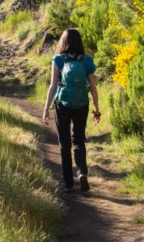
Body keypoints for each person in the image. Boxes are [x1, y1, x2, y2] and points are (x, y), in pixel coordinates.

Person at [41, 28, 101, 193]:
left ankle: (68, 183)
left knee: (64, 144)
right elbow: (93, 88)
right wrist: (96, 108)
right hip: (82, 104)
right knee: (79, 141)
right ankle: (82, 172)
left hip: (62, 104)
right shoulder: (87, 61)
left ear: (63, 41)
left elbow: (53, 85)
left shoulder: (58, 59)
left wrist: (46, 108)